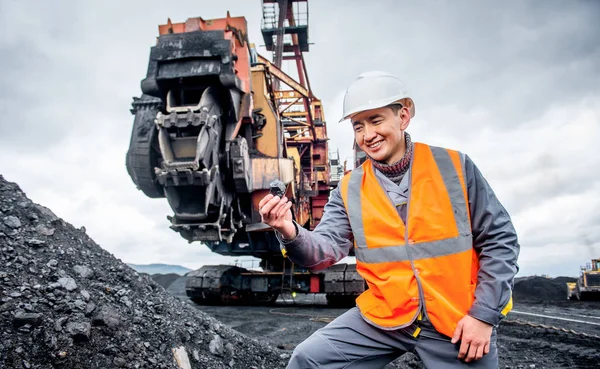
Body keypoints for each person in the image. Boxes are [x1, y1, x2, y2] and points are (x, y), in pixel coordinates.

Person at [258, 71, 520, 369]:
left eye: (376, 120)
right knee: (309, 360)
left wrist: (483, 316)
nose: (368, 135)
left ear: (404, 116)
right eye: (358, 126)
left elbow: (500, 241)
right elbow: (324, 250)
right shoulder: (349, 189)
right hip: (385, 317)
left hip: (457, 321)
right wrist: (288, 229)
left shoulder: (454, 168)